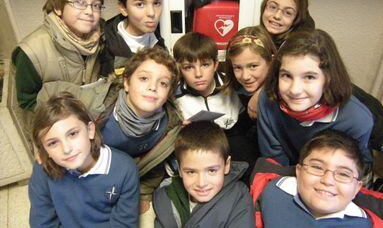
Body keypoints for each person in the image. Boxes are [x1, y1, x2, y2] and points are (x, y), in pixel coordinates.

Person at [260, 0, 383, 168]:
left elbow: (352, 101)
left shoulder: (307, 46)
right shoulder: (261, 41)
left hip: (368, 114)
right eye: (272, 7)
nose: (276, 16)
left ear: (297, 19)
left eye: (287, 12)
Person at [258, 29, 376, 169]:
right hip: (287, 176)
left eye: (309, 77)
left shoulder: (357, 120)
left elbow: (348, 172)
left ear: (329, 78)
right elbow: (274, 163)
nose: (295, 90)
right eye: (286, 76)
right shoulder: (267, 100)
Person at [12, 0, 111, 119]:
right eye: (79, 2)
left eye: (96, 5)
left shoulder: (103, 37)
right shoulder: (31, 52)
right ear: (58, 7)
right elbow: (27, 102)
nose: (90, 11)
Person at [28, 92, 139, 227]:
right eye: (53, 143)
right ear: (45, 150)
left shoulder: (125, 169)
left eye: (73, 134)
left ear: (90, 130)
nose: (66, 149)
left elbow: (124, 224)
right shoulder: (42, 170)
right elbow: (42, 222)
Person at [99, 46, 181, 227]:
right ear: (126, 83)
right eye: (144, 78)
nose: (153, 87)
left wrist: (143, 193)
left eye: (163, 83)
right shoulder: (97, 112)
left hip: (130, 189)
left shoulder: (169, 127)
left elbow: (154, 166)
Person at [173, 32, 256, 181]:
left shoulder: (232, 85)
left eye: (205, 65)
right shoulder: (173, 95)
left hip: (232, 144)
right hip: (195, 149)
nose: (198, 74)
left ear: (215, 64)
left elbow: (248, 122)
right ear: (180, 68)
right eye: (188, 67)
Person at [255, 130, 371, 227]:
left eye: (343, 174)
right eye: (317, 167)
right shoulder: (276, 192)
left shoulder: (360, 224)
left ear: (357, 188)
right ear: (298, 171)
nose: (327, 180)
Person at [153, 121, 255, 228]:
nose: (201, 183)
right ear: (180, 170)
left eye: (211, 171)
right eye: (191, 172)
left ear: (226, 165)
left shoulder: (238, 196)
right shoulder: (167, 196)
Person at [101, 0, 166, 77]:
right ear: (123, 8)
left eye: (156, 3)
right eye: (140, 4)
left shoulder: (160, 42)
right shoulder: (104, 48)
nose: (151, 13)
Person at [224, 25, 276, 119]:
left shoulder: (280, 97)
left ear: (271, 63)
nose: (245, 76)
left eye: (253, 66)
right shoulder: (235, 92)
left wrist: (262, 95)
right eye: (238, 67)